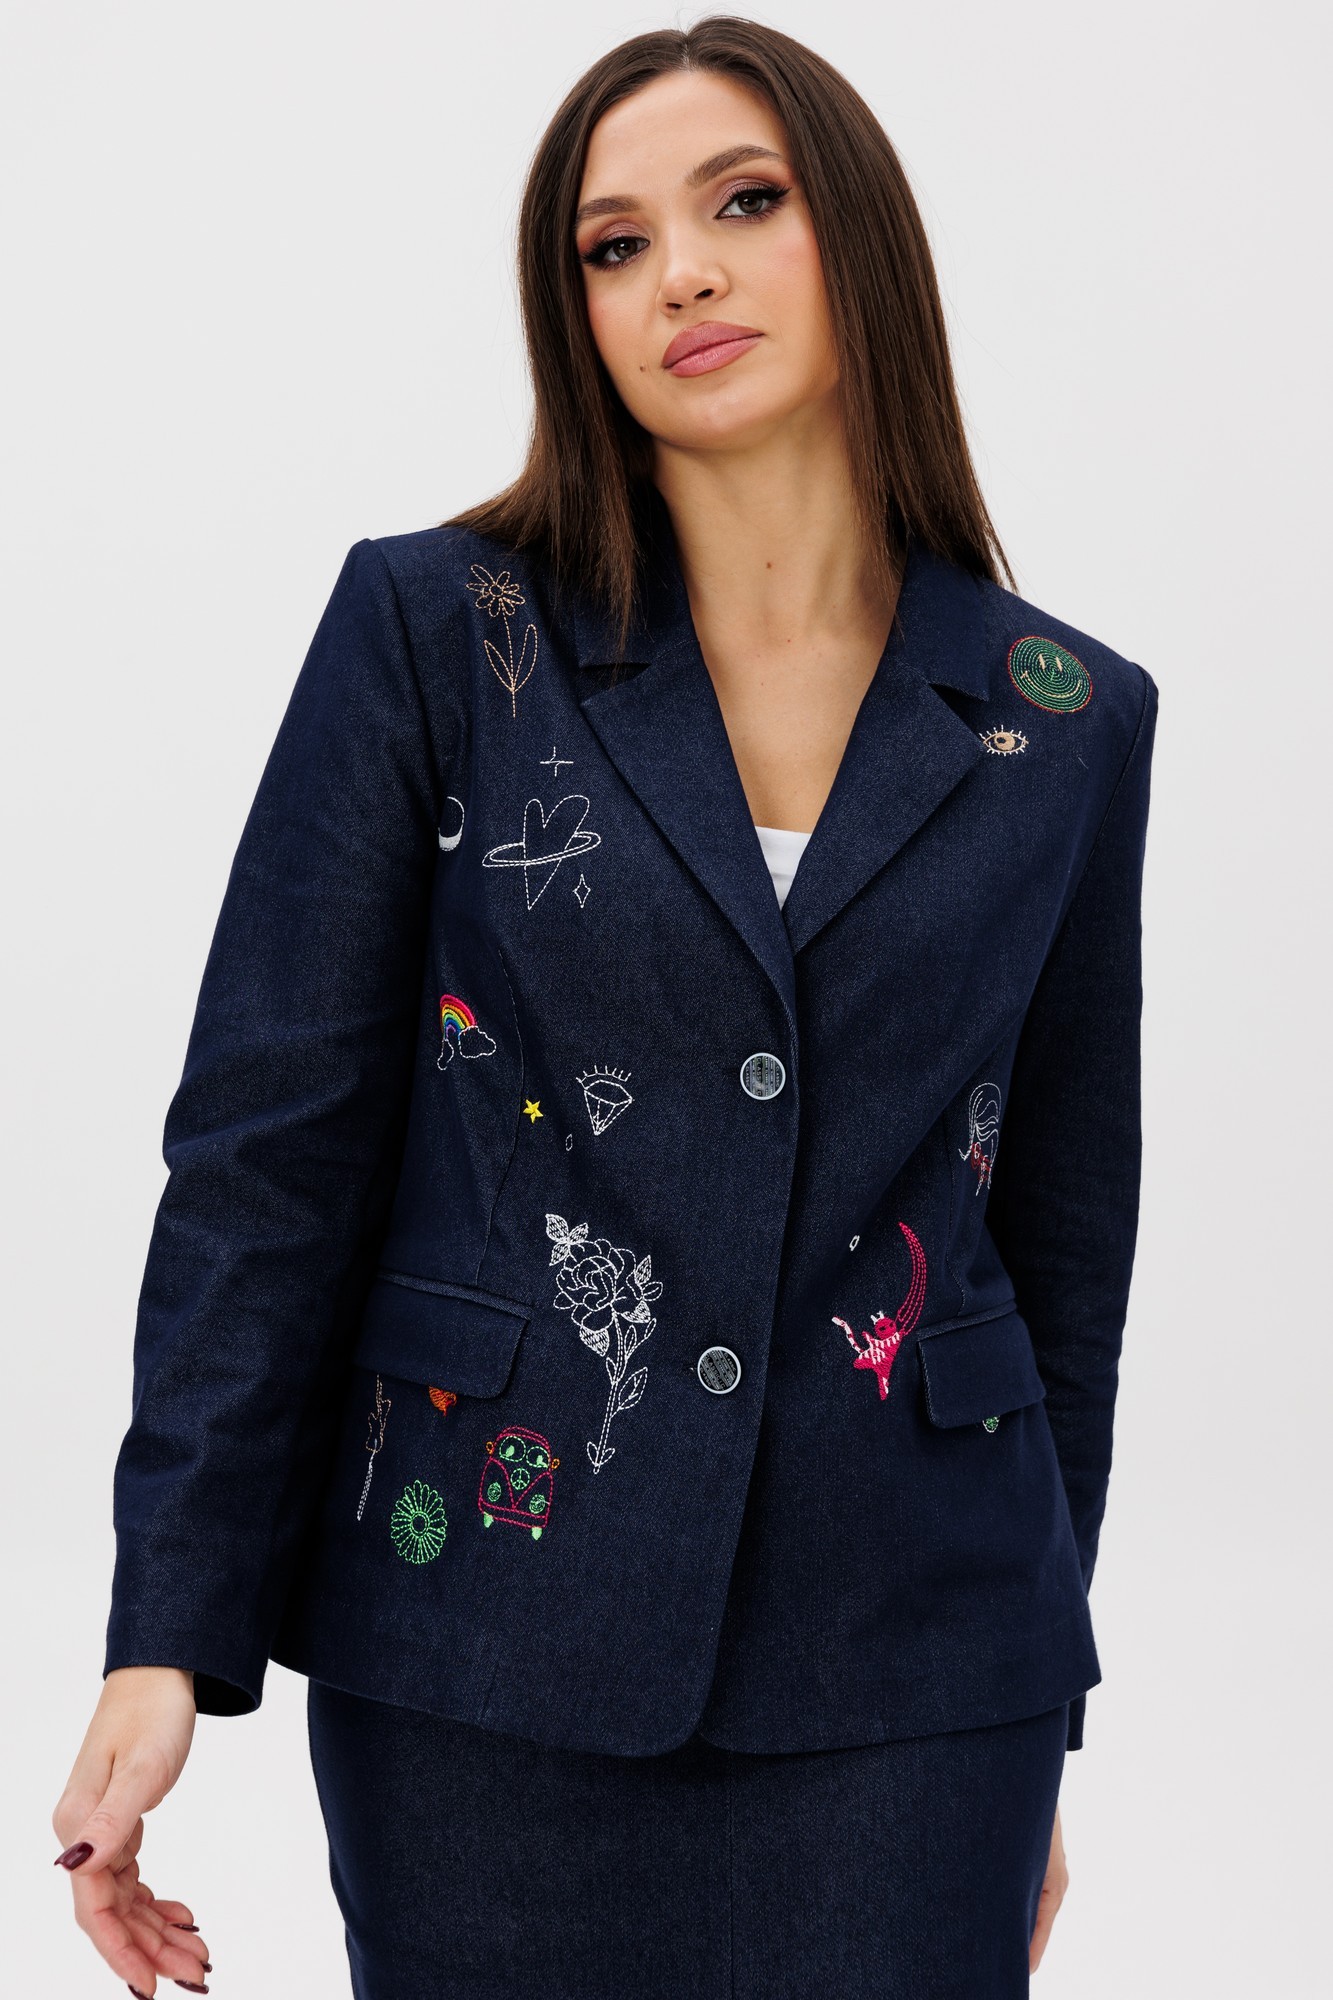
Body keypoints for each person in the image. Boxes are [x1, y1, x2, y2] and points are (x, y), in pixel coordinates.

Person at [52, 17, 1157, 1999]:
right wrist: (165, 1635)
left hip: (922, 1676)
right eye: (614, 246)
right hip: (485, 1647)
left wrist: (1033, 1696)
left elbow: (1061, 1242)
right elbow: (268, 1155)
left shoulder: (1061, 716)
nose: (682, 276)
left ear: (859, 238)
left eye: (743, 203)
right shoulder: (438, 634)